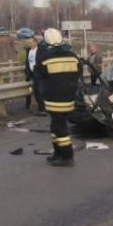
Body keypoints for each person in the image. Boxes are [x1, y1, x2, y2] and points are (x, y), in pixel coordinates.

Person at [34, 28, 82, 167]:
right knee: (55, 126)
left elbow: (37, 76)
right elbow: (78, 73)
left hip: (54, 99)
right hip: (69, 97)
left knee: (60, 128)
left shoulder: (46, 59)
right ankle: (57, 153)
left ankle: (66, 156)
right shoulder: (73, 56)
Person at [24, 36, 46, 115]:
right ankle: (28, 106)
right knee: (31, 91)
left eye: (31, 42)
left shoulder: (41, 50)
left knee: (40, 91)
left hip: (39, 73)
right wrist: (27, 72)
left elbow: (44, 61)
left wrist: (41, 71)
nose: (29, 44)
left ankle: (42, 109)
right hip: (31, 73)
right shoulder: (28, 51)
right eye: (28, 43)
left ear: (35, 42)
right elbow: (27, 62)